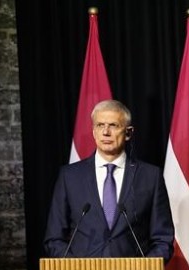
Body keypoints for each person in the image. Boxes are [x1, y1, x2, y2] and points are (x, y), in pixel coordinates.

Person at [44, 99, 174, 261]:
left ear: (128, 133)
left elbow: (163, 239)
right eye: (100, 125)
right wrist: (76, 269)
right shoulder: (69, 176)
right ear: (93, 131)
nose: (106, 132)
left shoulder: (150, 176)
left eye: (113, 125)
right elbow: (54, 239)